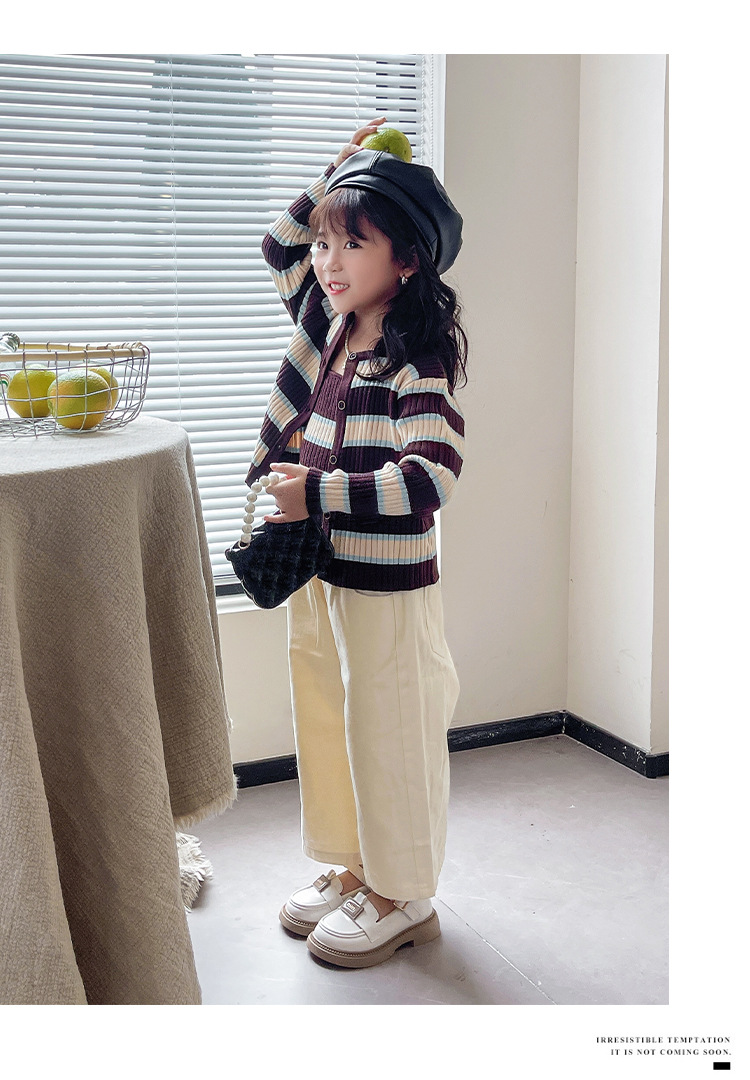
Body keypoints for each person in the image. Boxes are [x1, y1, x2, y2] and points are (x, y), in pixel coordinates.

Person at [245, 117, 467, 969]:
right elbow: (279, 244)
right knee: (329, 718)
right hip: (320, 568)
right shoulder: (326, 323)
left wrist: (318, 490)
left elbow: (430, 478)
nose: (328, 262)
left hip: (385, 583)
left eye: (353, 243)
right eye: (327, 243)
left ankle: (404, 894)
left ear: (406, 259)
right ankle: (353, 867)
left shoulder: (416, 359)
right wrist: (339, 170)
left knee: (390, 729)